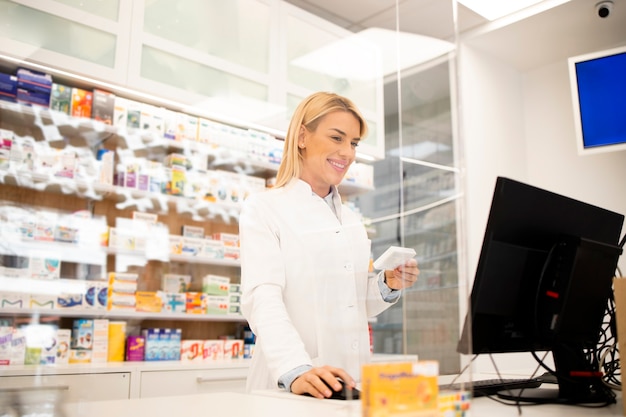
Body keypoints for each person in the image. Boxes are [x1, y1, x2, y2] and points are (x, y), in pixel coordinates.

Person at [239, 91, 419, 399]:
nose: (347, 153)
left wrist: (387, 285)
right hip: (294, 381)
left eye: (353, 143)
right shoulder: (264, 207)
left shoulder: (351, 220)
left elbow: (352, 303)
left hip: (350, 380)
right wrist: (295, 369)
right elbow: (262, 297)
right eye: (337, 138)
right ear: (302, 137)